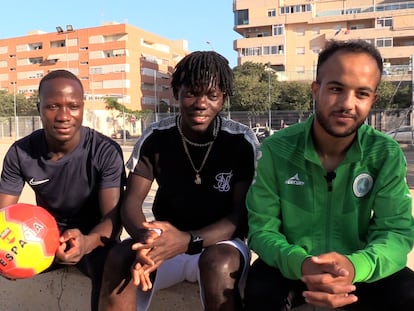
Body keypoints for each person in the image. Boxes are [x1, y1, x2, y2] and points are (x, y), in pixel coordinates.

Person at [244, 39, 414, 310]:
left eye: (362, 93)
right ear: (316, 90)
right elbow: (261, 229)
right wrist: (300, 263)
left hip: (358, 269)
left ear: (373, 100)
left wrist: (354, 267)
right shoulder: (277, 149)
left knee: (407, 291)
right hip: (293, 266)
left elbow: (395, 232)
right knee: (259, 287)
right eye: (336, 88)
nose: (347, 104)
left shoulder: (385, 153)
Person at [99, 51, 259, 311]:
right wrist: (146, 239)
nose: (201, 103)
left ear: (224, 99)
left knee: (218, 264)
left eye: (212, 95)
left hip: (220, 242)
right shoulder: (156, 137)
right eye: (191, 93)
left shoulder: (240, 141)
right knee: (119, 256)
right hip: (166, 239)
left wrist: (188, 240)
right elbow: (131, 202)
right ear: (176, 93)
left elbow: (240, 214)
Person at [0, 69, 126, 311]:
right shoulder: (20, 153)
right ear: (39, 108)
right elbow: (3, 215)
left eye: (73, 106)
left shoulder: (105, 151)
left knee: (111, 263)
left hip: (93, 240)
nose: (64, 116)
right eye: (53, 106)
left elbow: (113, 219)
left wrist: (87, 242)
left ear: (82, 108)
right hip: (43, 240)